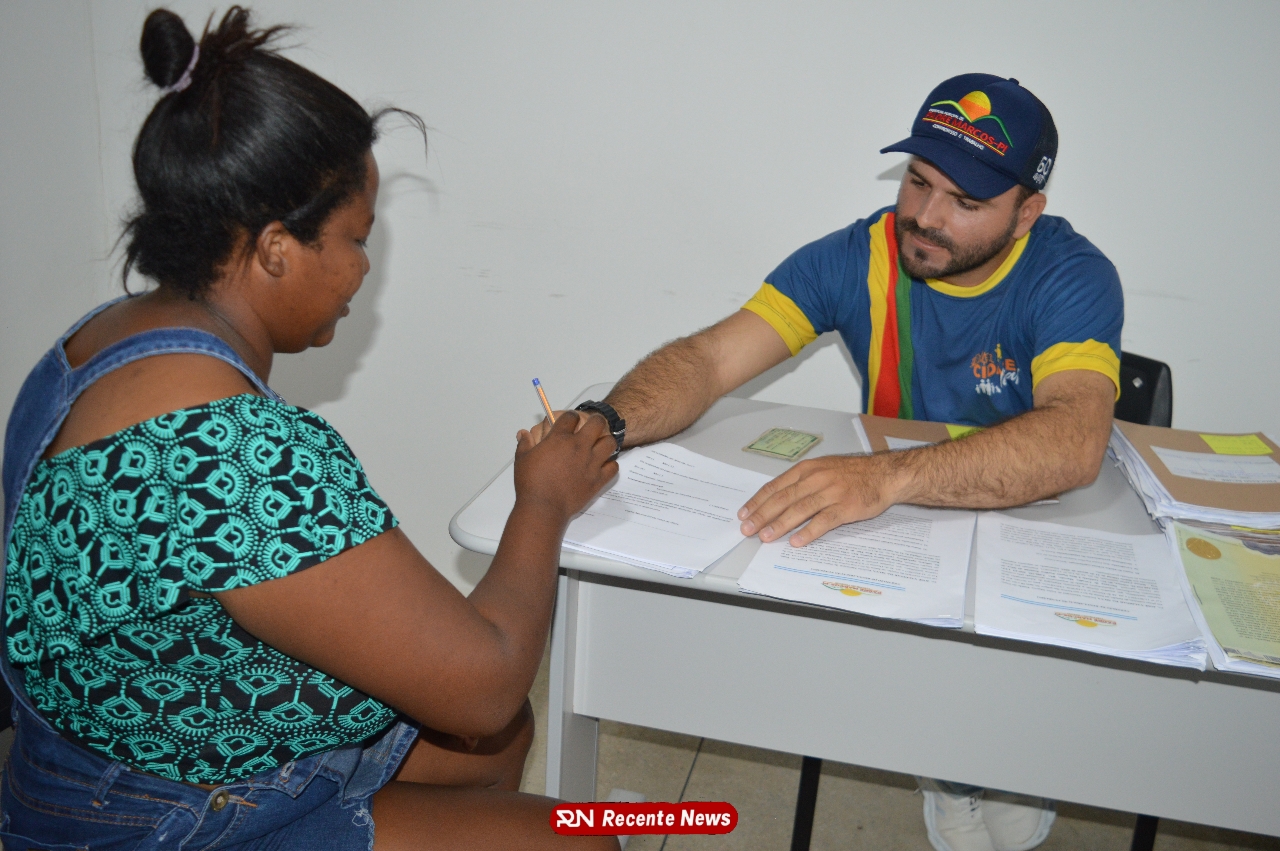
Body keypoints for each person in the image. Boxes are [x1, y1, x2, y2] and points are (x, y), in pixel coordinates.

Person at [0, 8, 622, 850]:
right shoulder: (232, 455)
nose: (364, 267)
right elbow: (487, 684)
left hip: (86, 755)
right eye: (355, 238)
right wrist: (542, 502)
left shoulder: (102, 341)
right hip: (152, 817)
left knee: (498, 745)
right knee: (576, 827)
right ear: (275, 248)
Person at [538, 75, 1122, 851]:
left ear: (1026, 212)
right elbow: (712, 359)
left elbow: (1075, 442)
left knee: (1008, 715)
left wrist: (888, 476)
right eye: (919, 181)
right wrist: (608, 423)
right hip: (914, 534)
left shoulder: (1070, 273)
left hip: (1030, 525)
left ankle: (999, 748)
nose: (926, 216)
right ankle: (947, 760)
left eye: (965, 201)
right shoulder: (862, 254)